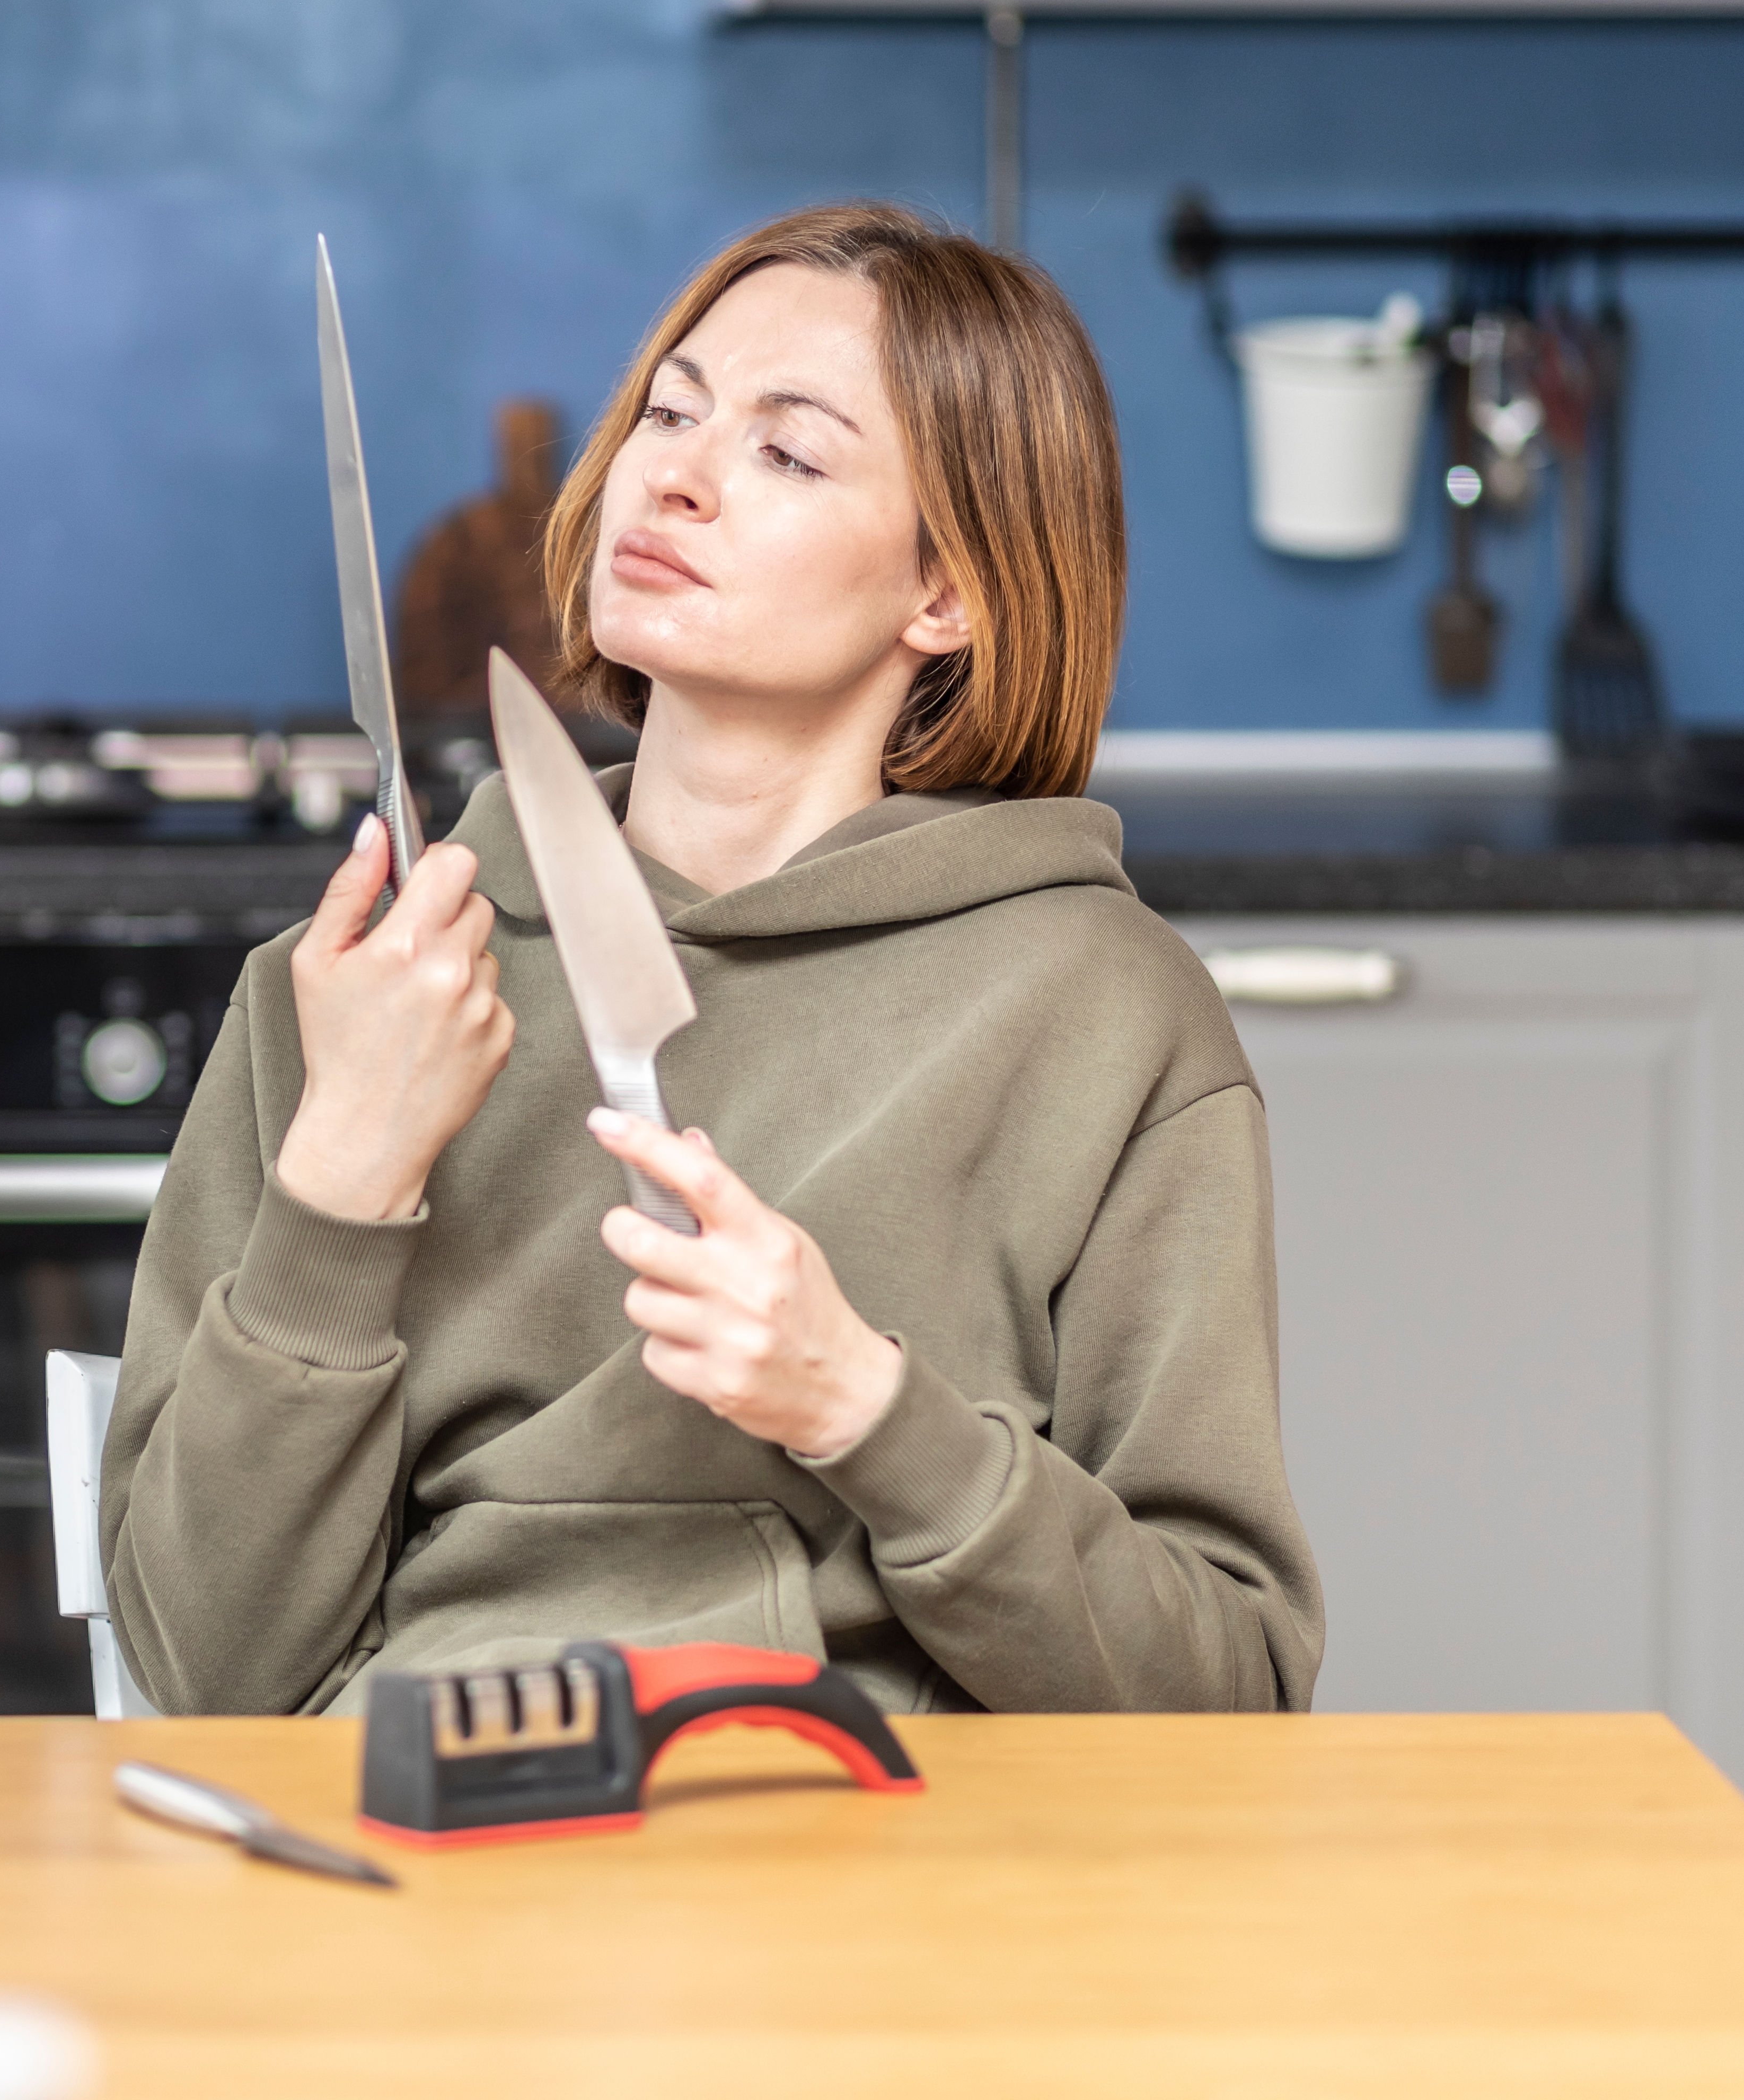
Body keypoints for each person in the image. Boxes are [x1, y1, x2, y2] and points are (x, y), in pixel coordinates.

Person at [99, 202, 1320, 1717]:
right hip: (428, 1849)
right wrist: (347, 1177)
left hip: (892, 1873)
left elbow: (1228, 1702)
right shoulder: (365, 989)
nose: (668, 477)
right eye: (667, 414)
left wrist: (868, 1410)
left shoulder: (1106, 1018)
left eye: (788, 453)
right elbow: (205, 1672)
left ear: (947, 595)